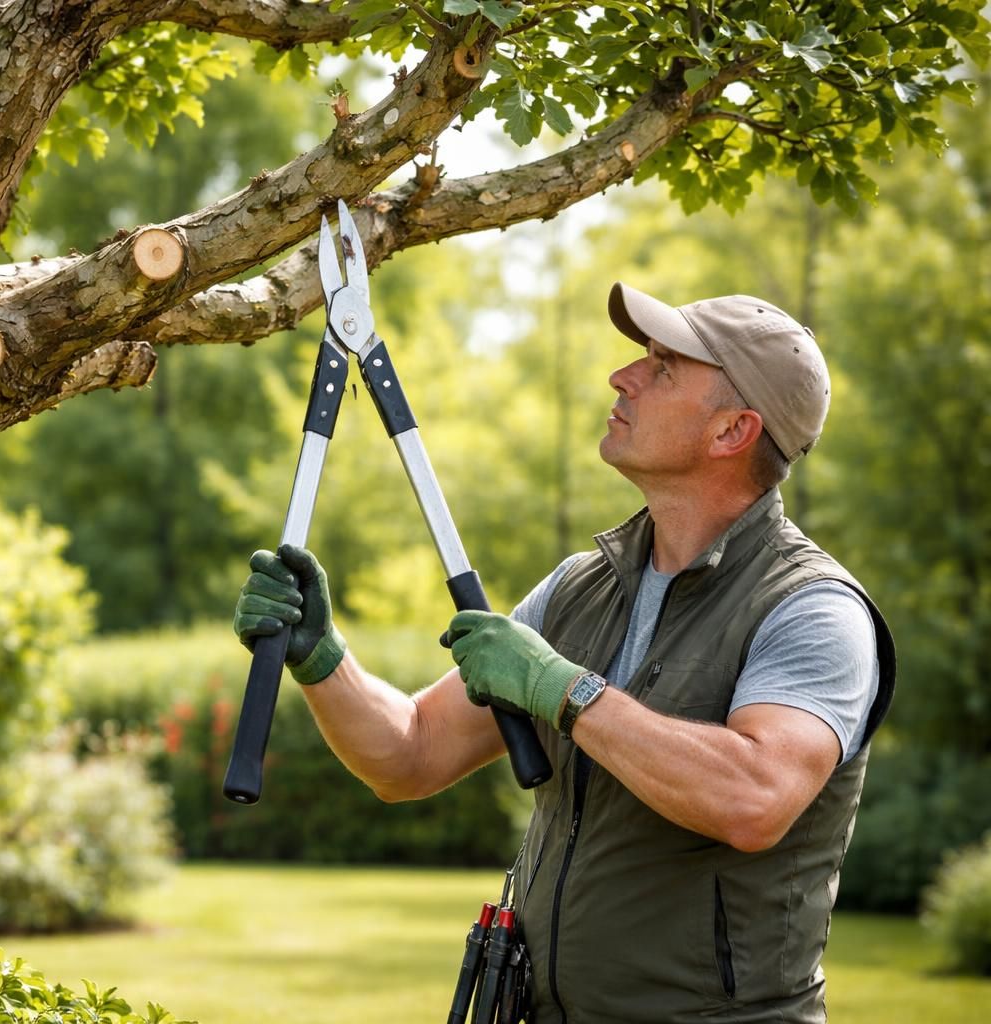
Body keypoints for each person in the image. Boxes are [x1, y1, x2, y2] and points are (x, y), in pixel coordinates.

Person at [232, 282, 895, 1024]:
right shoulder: (580, 588)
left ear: (732, 431)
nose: (624, 377)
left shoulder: (813, 609)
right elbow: (411, 753)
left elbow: (755, 798)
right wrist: (322, 659)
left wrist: (566, 692)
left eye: (664, 368)